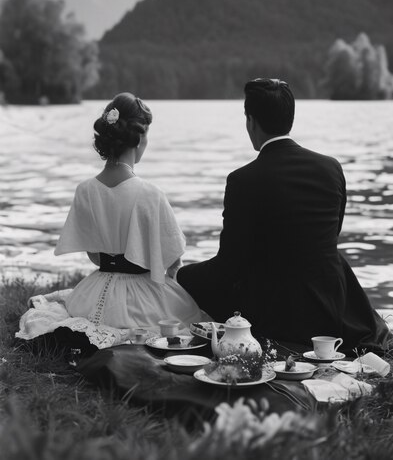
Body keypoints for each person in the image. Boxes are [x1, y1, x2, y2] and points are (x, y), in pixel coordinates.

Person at [177, 78, 392, 354]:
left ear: (251, 122)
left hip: (274, 311)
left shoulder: (243, 180)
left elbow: (229, 266)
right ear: (289, 118)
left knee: (196, 279)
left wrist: (184, 275)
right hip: (330, 304)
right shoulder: (331, 168)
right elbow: (328, 237)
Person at [17, 93, 204, 350]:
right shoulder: (151, 194)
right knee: (187, 320)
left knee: (72, 316)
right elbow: (173, 262)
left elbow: (94, 257)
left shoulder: (85, 190)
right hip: (143, 299)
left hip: (94, 292)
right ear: (139, 139)